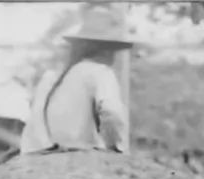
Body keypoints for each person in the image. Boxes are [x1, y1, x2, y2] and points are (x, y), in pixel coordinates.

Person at [20, 7, 134, 155]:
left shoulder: (51, 78)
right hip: (84, 159)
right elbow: (111, 113)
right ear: (107, 50)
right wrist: (115, 149)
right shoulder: (100, 73)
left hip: (44, 159)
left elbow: (33, 129)